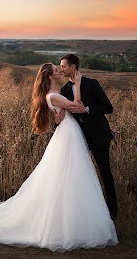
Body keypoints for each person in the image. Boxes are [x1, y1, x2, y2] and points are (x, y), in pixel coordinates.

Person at [0, 63, 118, 252]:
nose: (59, 71)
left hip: (68, 135)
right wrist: (80, 84)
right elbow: (76, 106)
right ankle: (65, 224)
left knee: (68, 177)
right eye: (56, 70)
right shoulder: (53, 96)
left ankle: (71, 219)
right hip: (68, 137)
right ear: (49, 76)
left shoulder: (53, 95)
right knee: (68, 176)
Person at [55, 54, 118, 220]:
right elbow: (63, 115)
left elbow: (108, 107)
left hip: (99, 136)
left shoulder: (91, 83)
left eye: (63, 66)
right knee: (79, 174)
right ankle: (82, 211)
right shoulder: (65, 90)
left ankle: (113, 211)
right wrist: (56, 122)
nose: (61, 70)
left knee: (105, 173)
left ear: (73, 67)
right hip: (79, 139)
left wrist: (87, 109)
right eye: (60, 67)